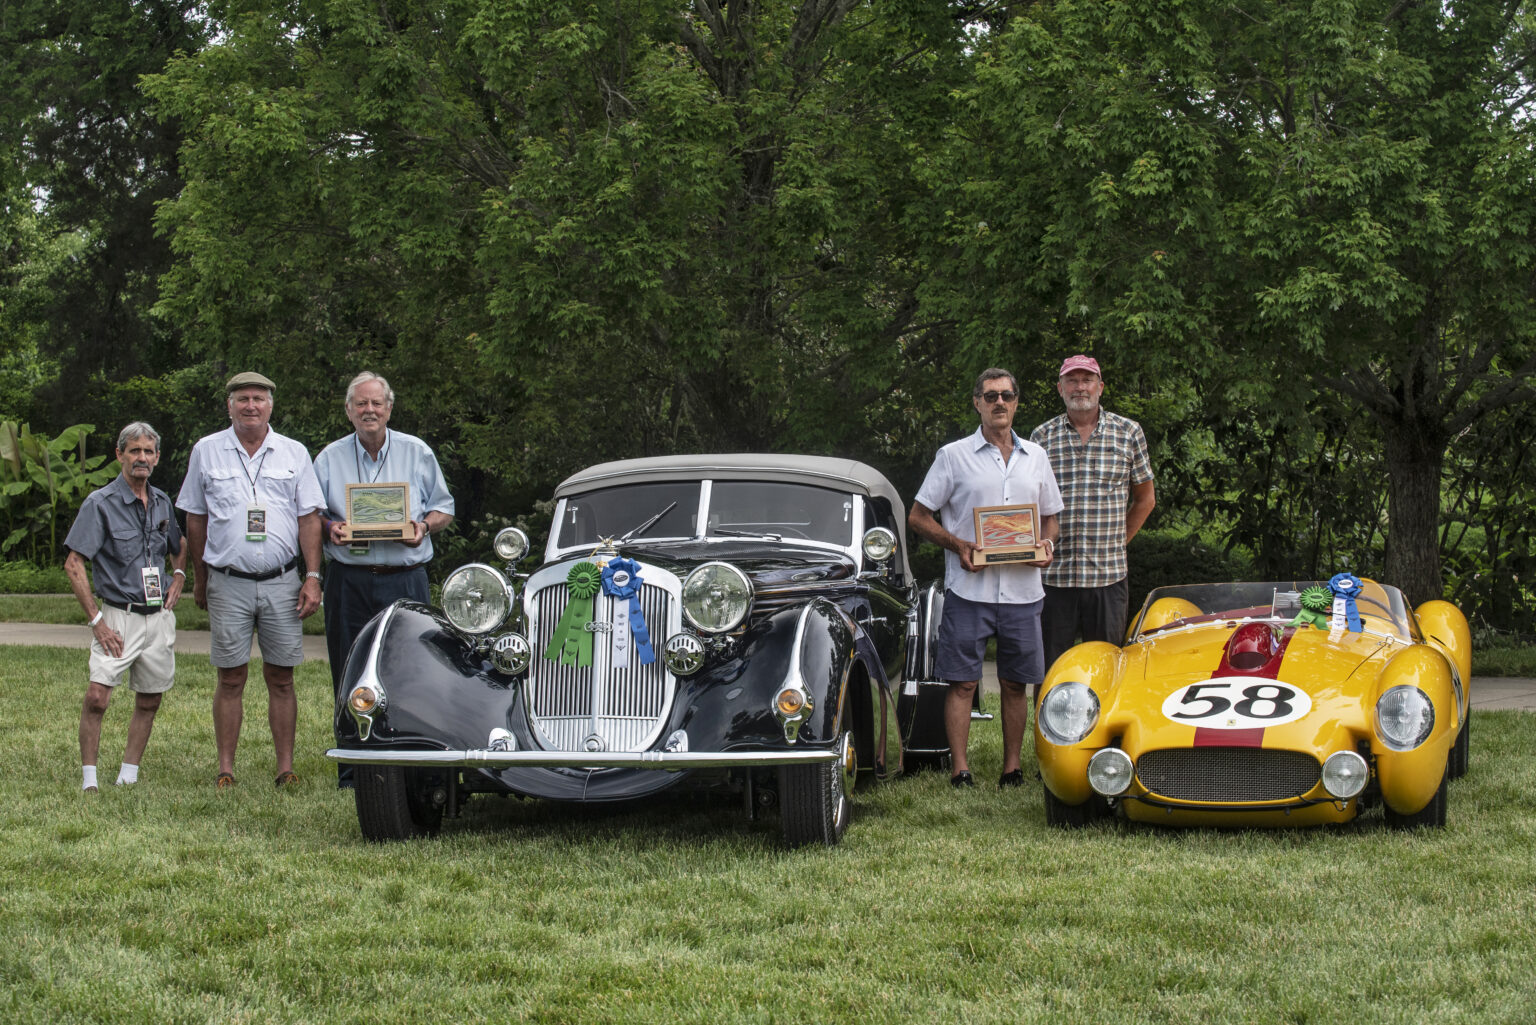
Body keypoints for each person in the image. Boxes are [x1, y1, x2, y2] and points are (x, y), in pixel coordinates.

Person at [909, 368, 1062, 789]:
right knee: (962, 683)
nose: (1000, 403)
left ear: (1016, 403)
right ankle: (961, 769)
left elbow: (1050, 519)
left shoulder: (1037, 457)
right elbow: (918, 516)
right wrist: (958, 544)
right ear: (977, 402)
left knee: (1016, 683)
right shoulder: (952, 456)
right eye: (991, 395)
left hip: (1023, 591)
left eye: (1007, 396)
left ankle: (1012, 768)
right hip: (969, 589)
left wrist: (1046, 546)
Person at [176, 371, 325, 789]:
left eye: (258, 398)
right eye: (242, 399)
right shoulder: (207, 451)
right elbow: (195, 517)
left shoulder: (294, 453)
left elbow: (309, 518)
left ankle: (285, 768)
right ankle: (226, 768)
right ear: (230, 405)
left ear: (270, 406)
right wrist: (200, 579)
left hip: (282, 581)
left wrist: (312, 577)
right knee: (230, 676)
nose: (251, 406)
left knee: (281, 676)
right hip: (228, 581)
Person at [314, 371, 455, 788]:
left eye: (377, 403)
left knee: (412, 666)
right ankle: (353, 768)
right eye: (361, 404)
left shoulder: (417, 452)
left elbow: (444, 508)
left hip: (404, 576)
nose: (369, 410)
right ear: (348, 411)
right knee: (348, 668)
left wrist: (424, 527)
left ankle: (414, 762)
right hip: (349, 579)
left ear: (389, 408)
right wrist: (328, 527)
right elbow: (312, 512)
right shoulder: (329, 458)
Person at [63, 422, 187, 792]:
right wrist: (97, 622)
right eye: (134, 451)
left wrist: (179, 576)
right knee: (97, 697)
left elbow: (179, 543)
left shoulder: (162, 501)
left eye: (149, 452)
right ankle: (90, 781)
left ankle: (128, 776)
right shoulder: (99, 503)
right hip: (117, 615)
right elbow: (74, 564)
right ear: (120, 455)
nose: (142, 458)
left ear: (157, 458)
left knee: (150, 698)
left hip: (158, 617)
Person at [1031, 354, 1155, 669]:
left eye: (1087, 380)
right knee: (1050, 669)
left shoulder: (1128, 432)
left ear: (1100, 387)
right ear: (1060, 388)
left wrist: (1119, 540)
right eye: (1072, 380)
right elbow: (1029, 504)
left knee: (1108, 669)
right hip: (1055, 577)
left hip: (1108, 577)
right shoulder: (1041, 437)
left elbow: (1145, 498)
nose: (1080, 387)